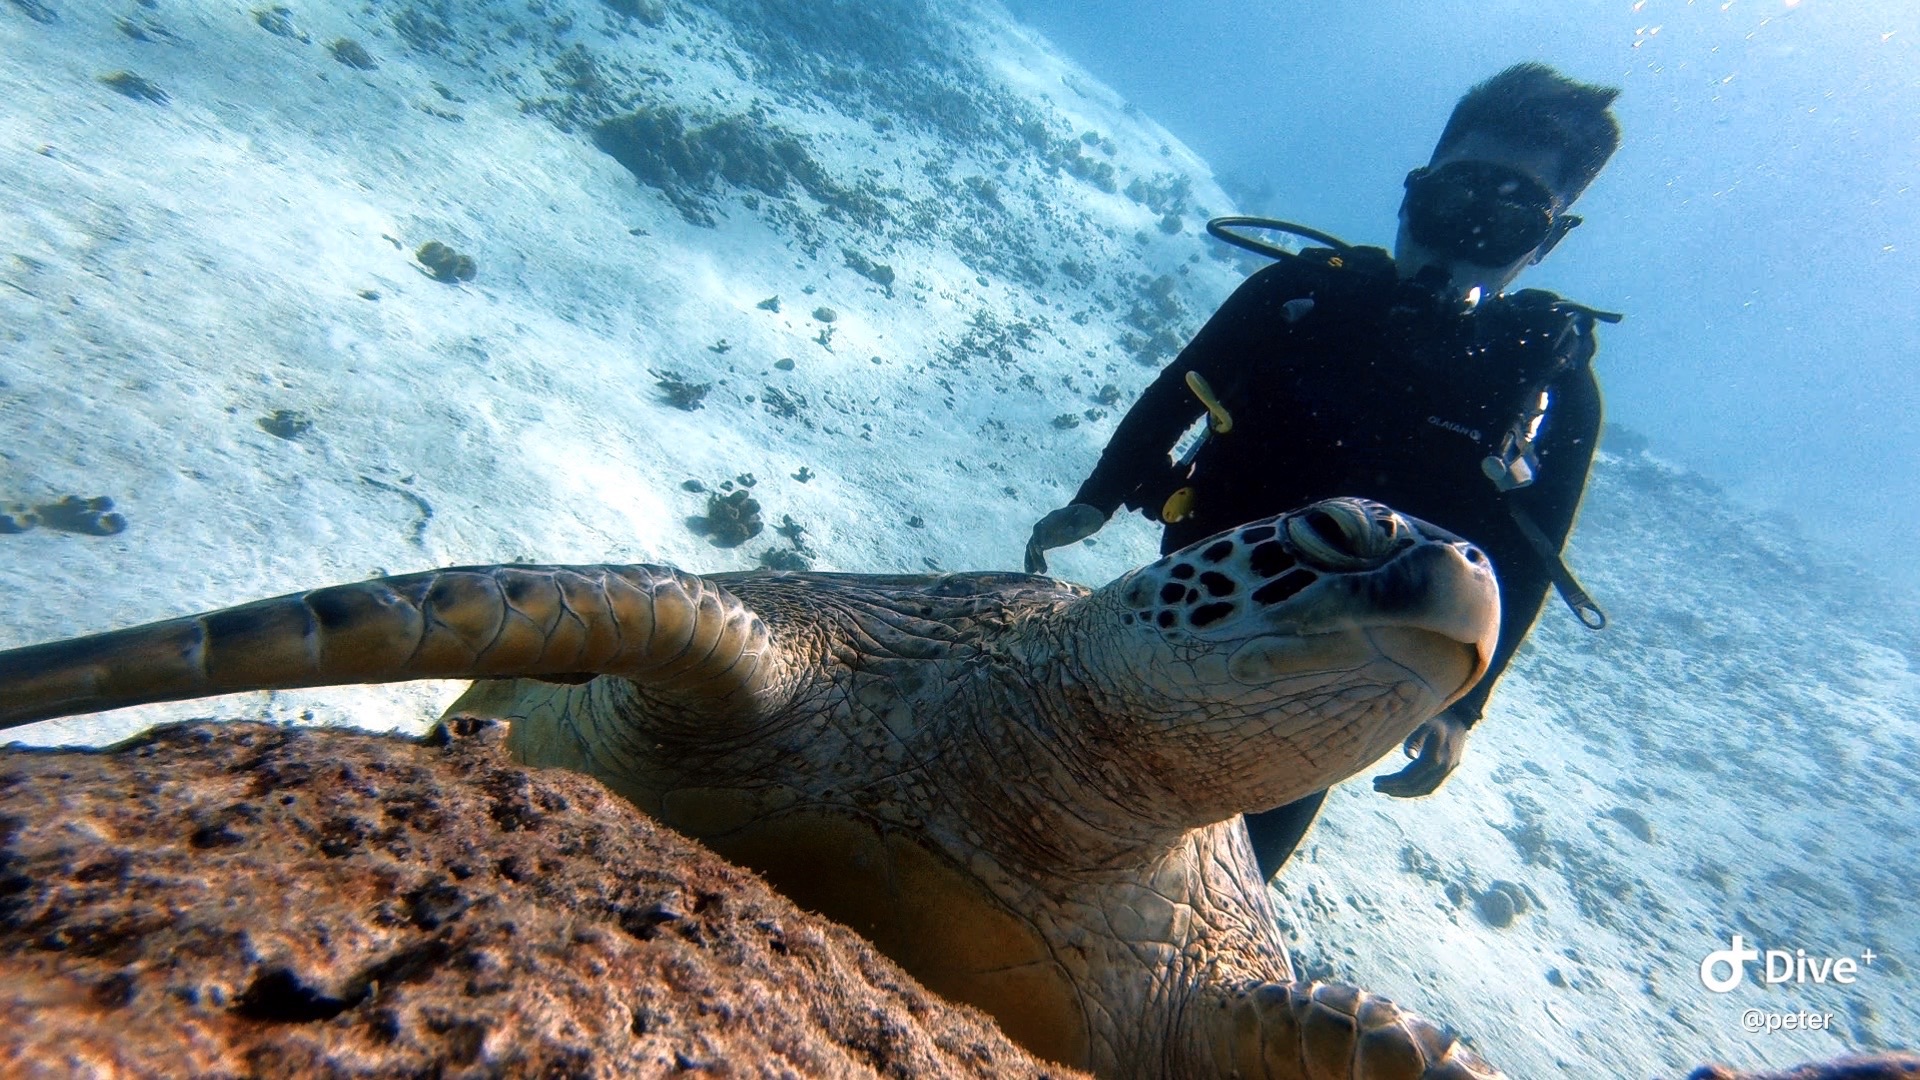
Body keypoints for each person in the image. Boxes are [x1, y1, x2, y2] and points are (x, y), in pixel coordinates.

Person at [1023, 63, 1622, 881]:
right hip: (1191, 604)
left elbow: (1529, 554)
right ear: (1414, 194)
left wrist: (1464, 704)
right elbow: (1174, 398)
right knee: (1044, 798)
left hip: (1347, 678)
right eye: (1453, 199)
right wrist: (1095, 498)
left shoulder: (1550, 388)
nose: (1465, 236)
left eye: (1507, 216)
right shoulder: (1300, 296)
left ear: (1547, 240)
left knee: (1208, 880)